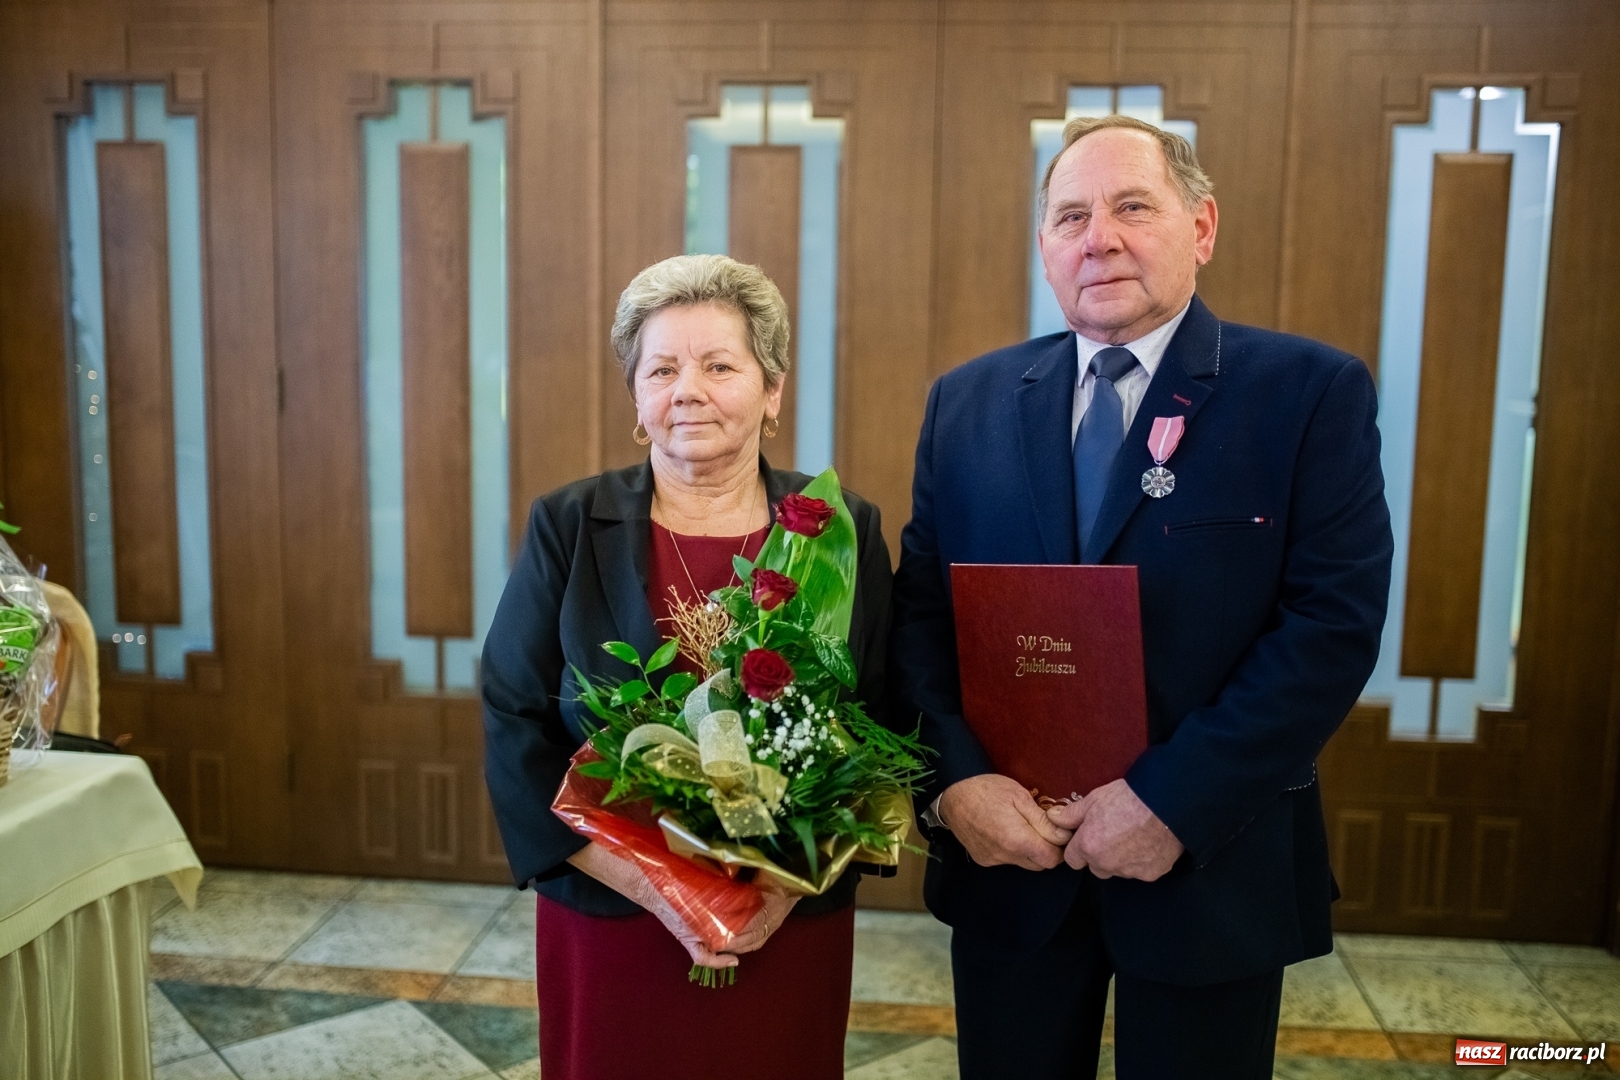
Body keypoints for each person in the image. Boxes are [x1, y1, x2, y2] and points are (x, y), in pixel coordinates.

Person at [890, 114, 1393, 1079]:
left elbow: (1331, 627)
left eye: (1132, 206)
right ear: (1044, 248)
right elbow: (921, 619)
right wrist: (952, 788)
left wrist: (1170, 803)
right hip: (1012, 862)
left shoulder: (1306, 393)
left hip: (1209, 860)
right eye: (1071, 216)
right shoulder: (967, 403)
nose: (1099, 237)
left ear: (1201, 227)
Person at [482, 254, 892, 1080]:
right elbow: (512, 709)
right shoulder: (570, 522)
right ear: (637, 395)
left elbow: (879, 718)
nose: (687, 389)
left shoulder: (834, 530)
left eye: (719, 365)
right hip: (611, 912)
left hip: (784, 914)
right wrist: (653, 886)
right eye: (661, 368)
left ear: (772, 390)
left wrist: (772, 890)